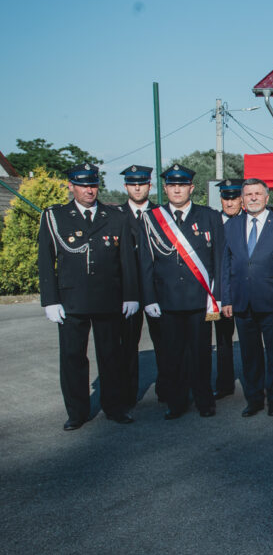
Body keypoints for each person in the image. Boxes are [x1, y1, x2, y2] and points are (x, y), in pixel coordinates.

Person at [38, 163, 139, 430]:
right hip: (71, 300)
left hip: (108, 299)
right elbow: (46, 261)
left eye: (93, 185)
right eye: (83, 185)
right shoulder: (56, 216)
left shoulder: (115, 216)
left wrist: (131, 295)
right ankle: (77, 412)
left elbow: (126, 259)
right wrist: (49, 300)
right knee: (73, 358)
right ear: (71, 186)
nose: (89, 190)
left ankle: (115, 407)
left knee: (111, 356)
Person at [138, 163, 225, 419]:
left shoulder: (209, 216)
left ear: (192, 188)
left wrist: (217, 295)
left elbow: (219, 259)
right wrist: (148, 297)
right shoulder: (152, 219)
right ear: (165, 189)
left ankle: (204, 400)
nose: (177, 190)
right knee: (172, 355)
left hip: (200, 299)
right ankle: (176, 402)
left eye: (182, 185)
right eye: (172, 186)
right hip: (167, 300)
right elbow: (145, 261)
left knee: (201, 354)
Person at [220, 179, 273, 417]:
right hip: (242, 301)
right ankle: (254, 398)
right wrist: (226, 299)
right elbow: (225, 264)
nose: (253, 198)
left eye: (257, 194)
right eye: (248, 194)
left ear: (266, 197)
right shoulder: (231, 226)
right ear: (242, 199)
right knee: (249, 353)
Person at [114, 164, 164, 407]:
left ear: (149, 186)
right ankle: (127, 393)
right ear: (125, 187)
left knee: (165, 342)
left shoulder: (162, 214)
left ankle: (168, 388)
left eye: (142, 183)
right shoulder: (115, 216)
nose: (137, 187)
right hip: (128, 291)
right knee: (127, 346)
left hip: (157, 289)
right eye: (132, 183)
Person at [211, 178, 242, 399]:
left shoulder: (249, 220)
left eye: (233, 198)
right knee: (222, 341)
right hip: (219, 291)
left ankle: (256, 381)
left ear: (241, 199)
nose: (229, 203)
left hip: (245, 289)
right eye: (225, 198)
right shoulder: (213, 222)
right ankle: (224, 384)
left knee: (252, 340)